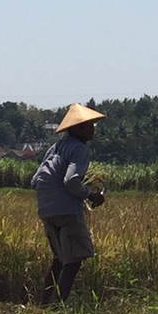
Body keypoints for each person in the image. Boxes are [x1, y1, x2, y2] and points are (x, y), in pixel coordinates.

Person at [32, 104, 106, 303]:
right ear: (79, 128)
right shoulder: (80, 149)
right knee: (75, 259)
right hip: (67, 211)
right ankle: (58, 306)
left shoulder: (55, 148)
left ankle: (44, 303)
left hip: (46, 209)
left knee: (60, 259)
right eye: (89, 125)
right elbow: (71, 180)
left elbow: (35, 180)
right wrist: (90, 195)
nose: (93, 130)